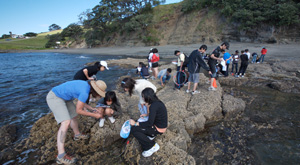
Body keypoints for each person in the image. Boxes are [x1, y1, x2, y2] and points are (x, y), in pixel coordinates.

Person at [46, 80, 107, 164]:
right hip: (55, 97)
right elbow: (79, 110)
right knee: (66, 122)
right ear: (95, 91)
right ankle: (60, 155)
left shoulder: (86, 87)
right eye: (99, 94)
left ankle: (77, 135)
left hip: (65, 98)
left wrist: (92, 109)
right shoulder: (85, 92)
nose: (99, 96)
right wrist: (94, 115)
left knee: (74, 116)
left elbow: (81, 102)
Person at [129, 88, 168, 157]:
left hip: (158, 129)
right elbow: (155, 114)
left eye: (143, 96)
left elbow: (149, 123)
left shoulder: (153, 106)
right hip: (159, 125)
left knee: (134, 129)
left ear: (148, 97)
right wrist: (147, 115)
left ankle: (151, 146)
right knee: (140, 122)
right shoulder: (157, 102)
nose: (143, 98)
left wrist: (135, 123)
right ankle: (151, 135)